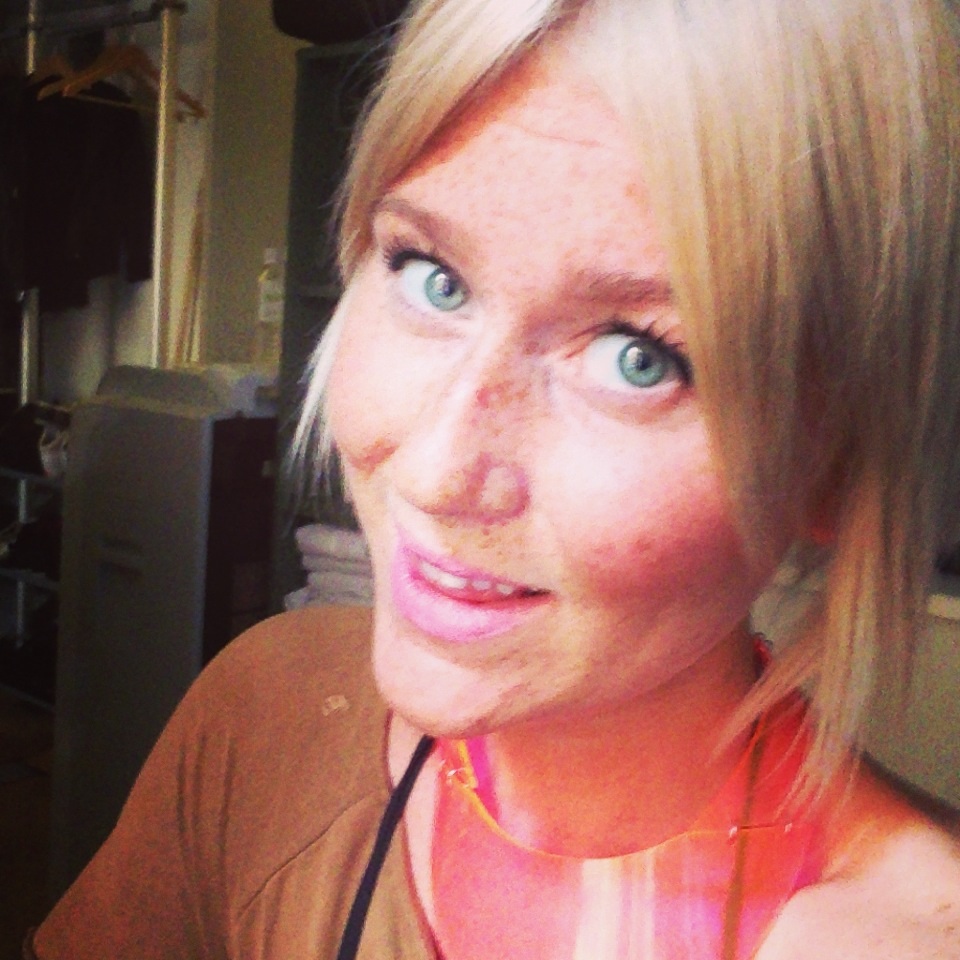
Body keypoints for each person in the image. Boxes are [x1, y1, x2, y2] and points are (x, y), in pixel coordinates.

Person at [28, 0, 960, 956]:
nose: (436, 473)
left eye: (637, 358)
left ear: (835, 469)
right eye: (432, 277)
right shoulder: (266, 716)